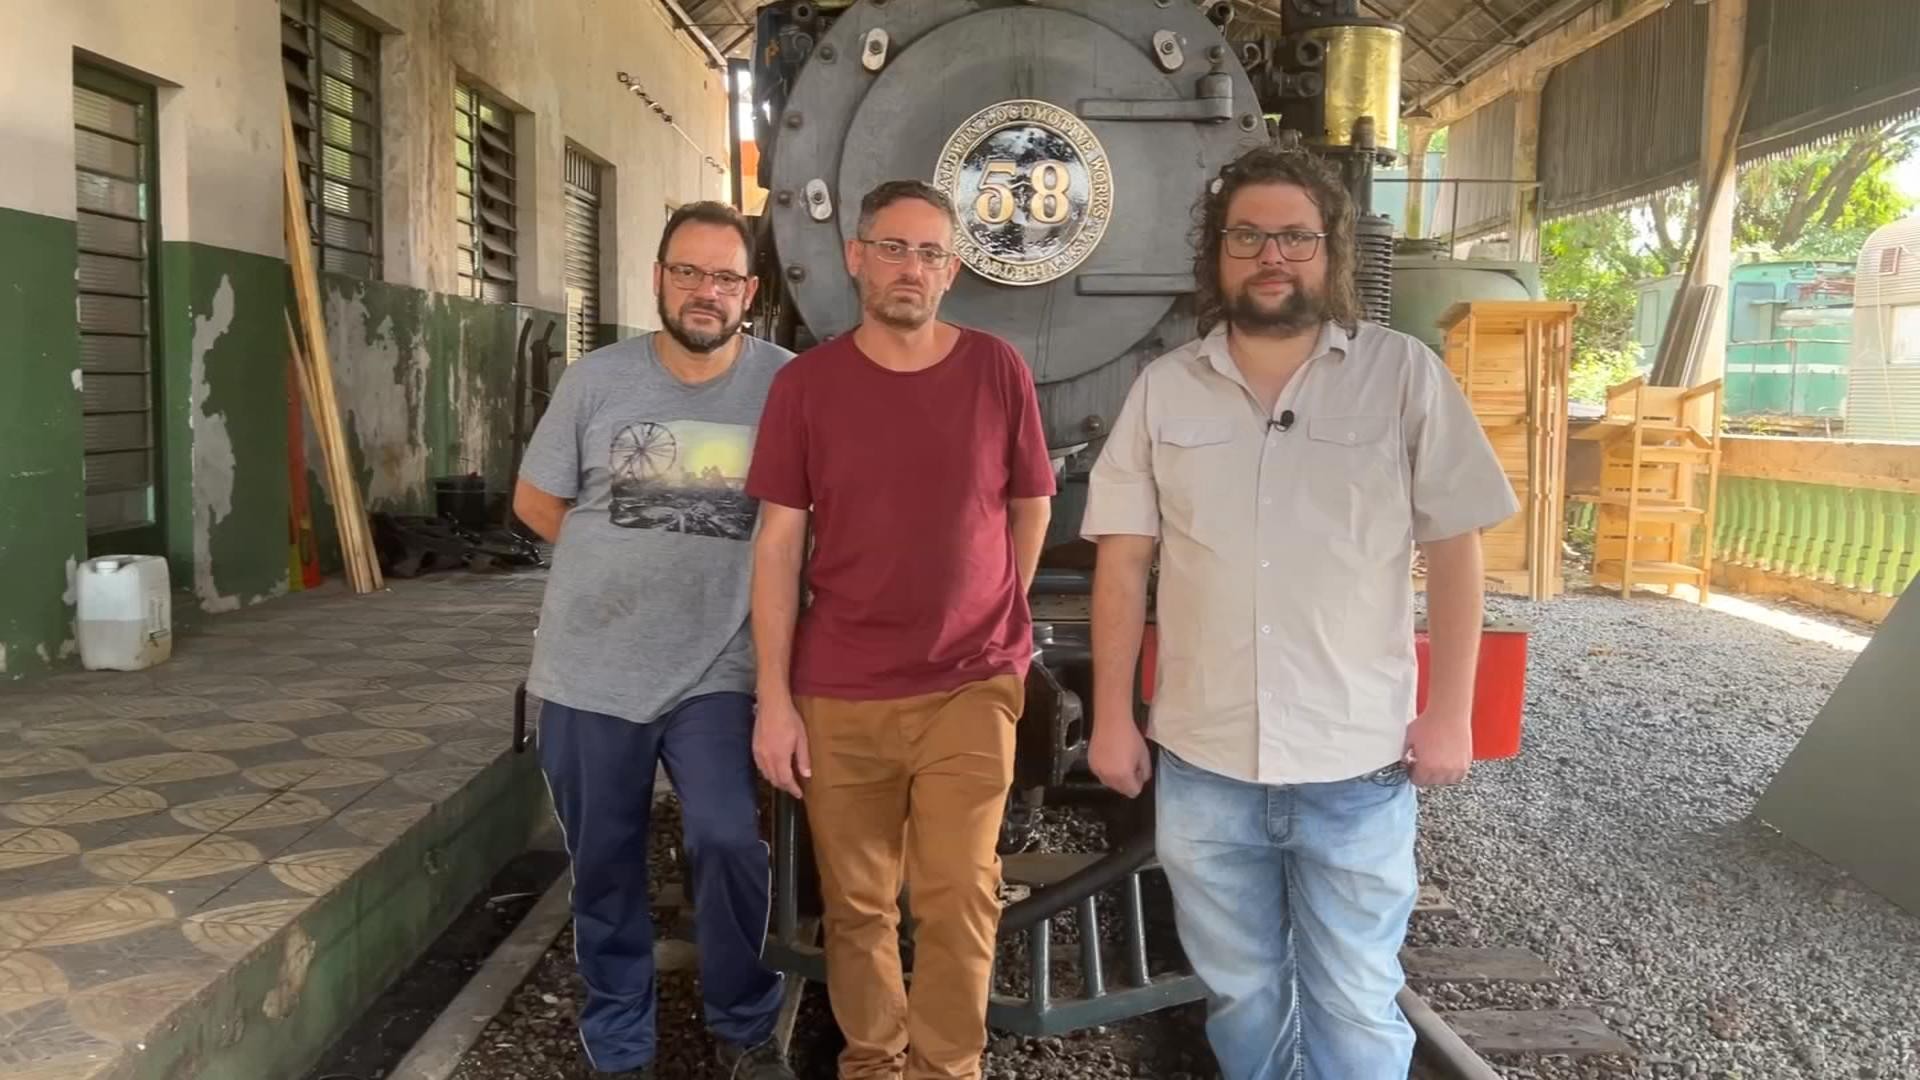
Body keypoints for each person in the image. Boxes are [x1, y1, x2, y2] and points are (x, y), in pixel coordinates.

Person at [1079, 145, 1519, 1080]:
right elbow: (1122, 562)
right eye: (1248, 236)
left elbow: (1455, 547)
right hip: (1206, 764)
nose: (1271, 255)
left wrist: (1450, 713)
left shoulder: (1403, 375)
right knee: (1242, 998)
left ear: (1330, 253)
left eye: (1294, 236)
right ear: (1218, 256)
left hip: (1354, 763)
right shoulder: (1164, 389)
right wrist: (1112, 716)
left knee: (1355, 996)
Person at [744, 179, 1056, 1080]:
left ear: (951, 270)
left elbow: (1031, 506)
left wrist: (1002, 607)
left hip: (971, 680)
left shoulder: (997, 368)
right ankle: (874, 1063)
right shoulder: (806, 387)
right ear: (855, 257)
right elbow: (777, 547)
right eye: (892, 248)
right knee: (858, 901)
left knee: (959, 890)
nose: (909, 268)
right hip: (841, 686)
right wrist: (774, 698)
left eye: (928, 253)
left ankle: (948, 1068)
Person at [514, 200, 799, 1080]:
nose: (704, 292)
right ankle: (621, 1042)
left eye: (722, 276)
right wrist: (613, 558)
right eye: (688, 272)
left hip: (718, 662)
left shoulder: (787, 383)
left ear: (748, 292)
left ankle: (744, 1023)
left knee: (723, 838)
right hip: (592, 665)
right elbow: (536, 501)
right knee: (603, 864)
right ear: (658, 280)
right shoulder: (596, 381)